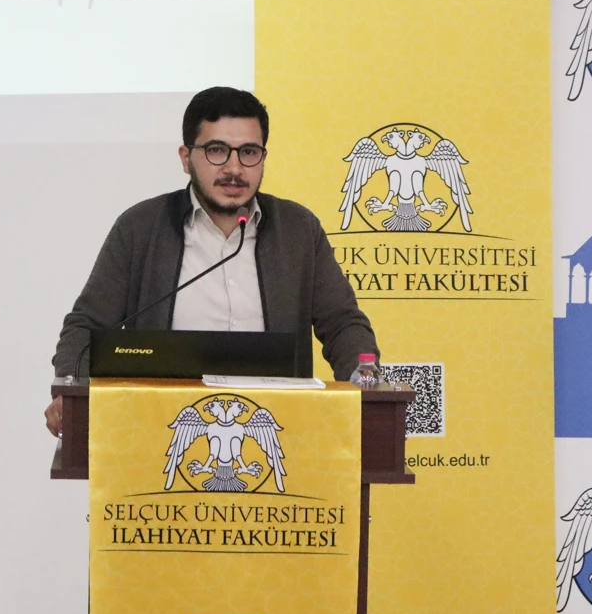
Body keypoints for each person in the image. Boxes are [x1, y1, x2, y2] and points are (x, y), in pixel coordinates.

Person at [44, 86, 379, 436]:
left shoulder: (297, 229)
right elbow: (86, 326)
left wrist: (364, 385)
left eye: (248, 152)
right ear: (185, 157)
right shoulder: (140, 228)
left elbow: (342, 323)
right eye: (217, 151)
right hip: (160, 433)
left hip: (278, 432)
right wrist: (71, 389)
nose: (234, 169)